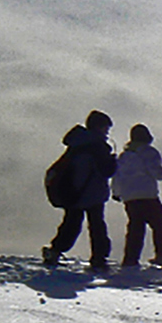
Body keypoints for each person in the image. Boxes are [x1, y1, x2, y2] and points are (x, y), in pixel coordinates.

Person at [42, 111, 118, 272]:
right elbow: (106, 171)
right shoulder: (98, 146)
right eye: (106, 127)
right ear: (100, 127)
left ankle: (55, 251)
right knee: (97, 226)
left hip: (74, 191)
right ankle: (99, 259)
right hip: (93, 192)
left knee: (71, 224)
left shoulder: (76, 144)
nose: (107, 131)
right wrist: (113, 161)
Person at [112, 123, 162, 270]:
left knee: (135, 228)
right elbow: (156, 171)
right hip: (147, 195)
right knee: (161, 225)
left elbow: (117, 177)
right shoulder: (148, 152)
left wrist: (116, 193)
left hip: (130, 198)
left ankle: (130, 260)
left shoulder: (124, 156)